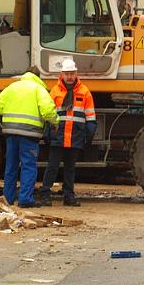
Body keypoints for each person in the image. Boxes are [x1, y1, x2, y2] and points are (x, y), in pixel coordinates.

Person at [0, 66, 59, 208]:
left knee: (11, 166)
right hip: (29, 134)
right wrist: (55, 121)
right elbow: (48, 111)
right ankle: (25, 199)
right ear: (38, 76)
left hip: (11, 132)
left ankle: (8, 199)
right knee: (28, 167)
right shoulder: (38, 89)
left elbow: (0, 107)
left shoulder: (12, 87)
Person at [37, 59, 96, 207]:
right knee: (52, 166)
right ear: (62, 74)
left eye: (72, 73)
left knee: (70, 169)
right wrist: (47, 134)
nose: (69, 76)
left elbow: (90, 116)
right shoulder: (55, 91)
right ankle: (45, 193)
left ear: (76, 74)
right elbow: (49, 114)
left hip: (75, 136)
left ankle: (69, 196)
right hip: (58, 136)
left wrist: (89, 134)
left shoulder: (85, 92)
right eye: (67, 74)